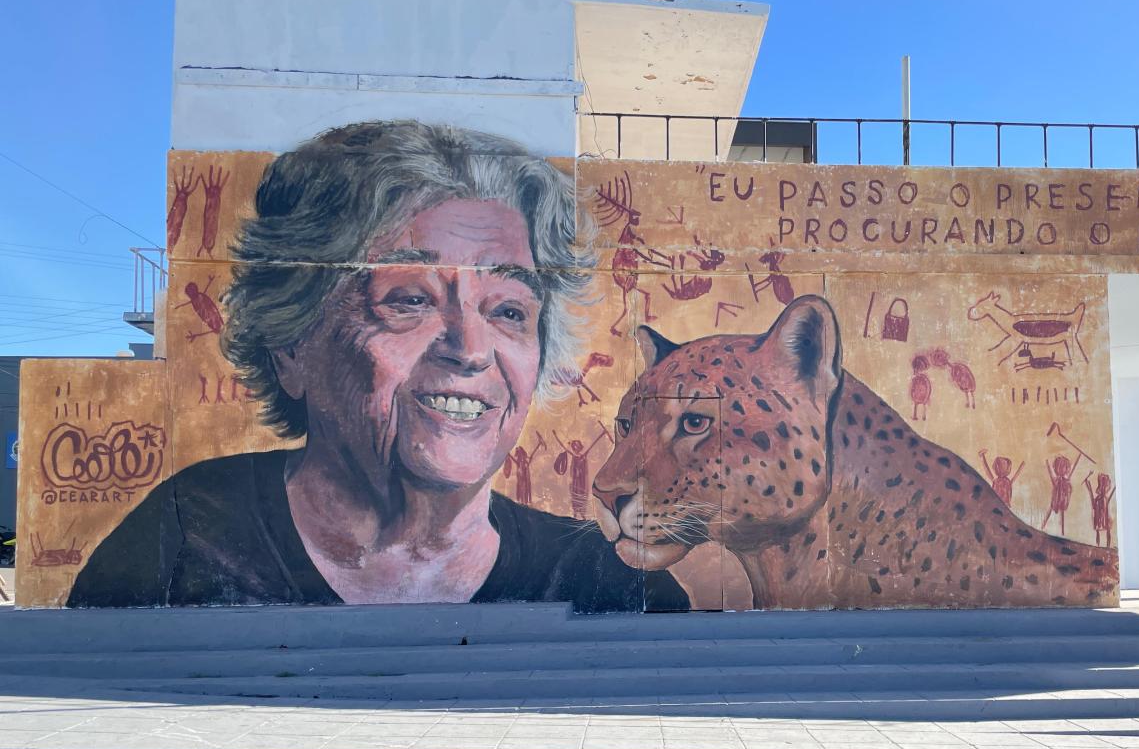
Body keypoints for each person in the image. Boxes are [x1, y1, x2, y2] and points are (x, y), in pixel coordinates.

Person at [68, 121, 686, 612]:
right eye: (410, 301)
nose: (470, 349)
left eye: (508, 310)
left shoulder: (601, 577)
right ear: (291, 347)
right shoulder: (188, 532)